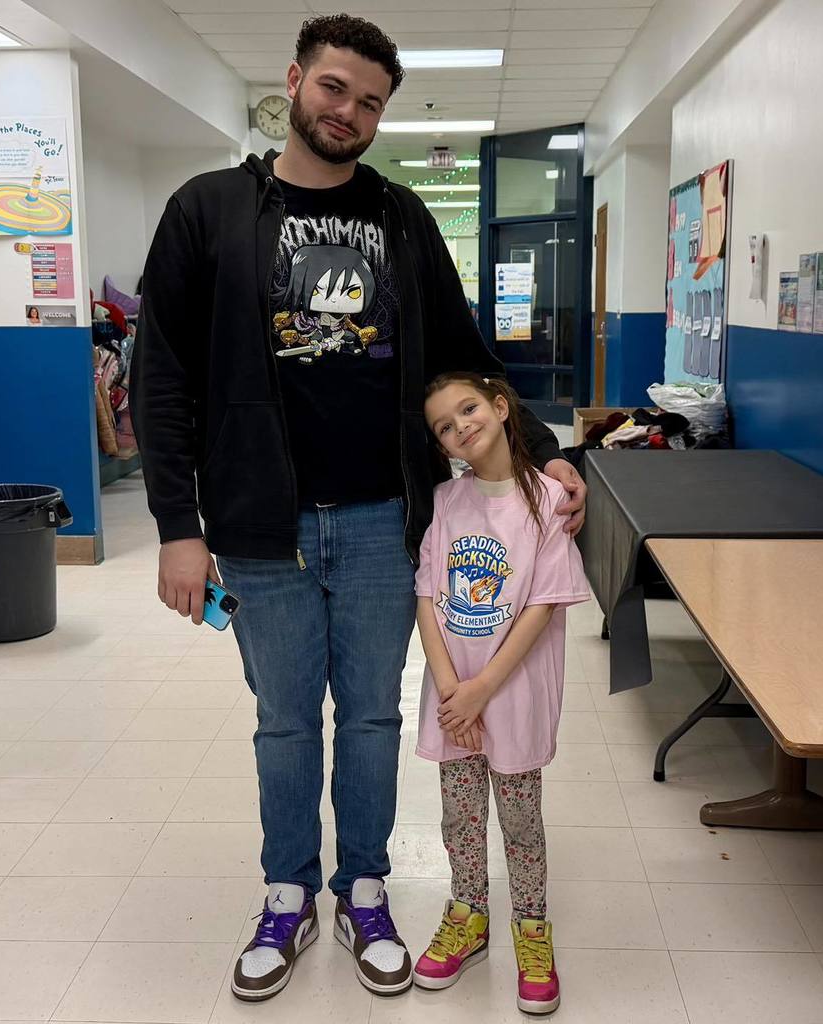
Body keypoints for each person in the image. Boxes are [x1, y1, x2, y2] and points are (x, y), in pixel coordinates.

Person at [130, 13, 587, 1003]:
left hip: (389, 520)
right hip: (259, 526)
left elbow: (465, 351)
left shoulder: (403, 219)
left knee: (374, 716)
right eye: (335, 88)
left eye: (371, 101)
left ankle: (366, 885)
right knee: (286, 721)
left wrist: (544, 457)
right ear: (294, 81)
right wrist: (177, 524)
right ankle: (286, 893)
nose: (350, 112)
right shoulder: (209, 210)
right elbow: (160, 373)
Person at [411, 373, 590, 1015]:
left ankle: (531, 926)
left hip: (508, 696)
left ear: (500, 406)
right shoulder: (443, 502)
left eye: (468, 409)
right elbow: (428, 597)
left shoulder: (548, 501)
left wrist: (484, 688)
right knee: (459, 818)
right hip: (455, 702)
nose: (460, 426)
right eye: (443, 425)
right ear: (442, 446)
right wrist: (453, 692)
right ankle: (469, 913)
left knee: (519, 821)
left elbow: (542, 606)